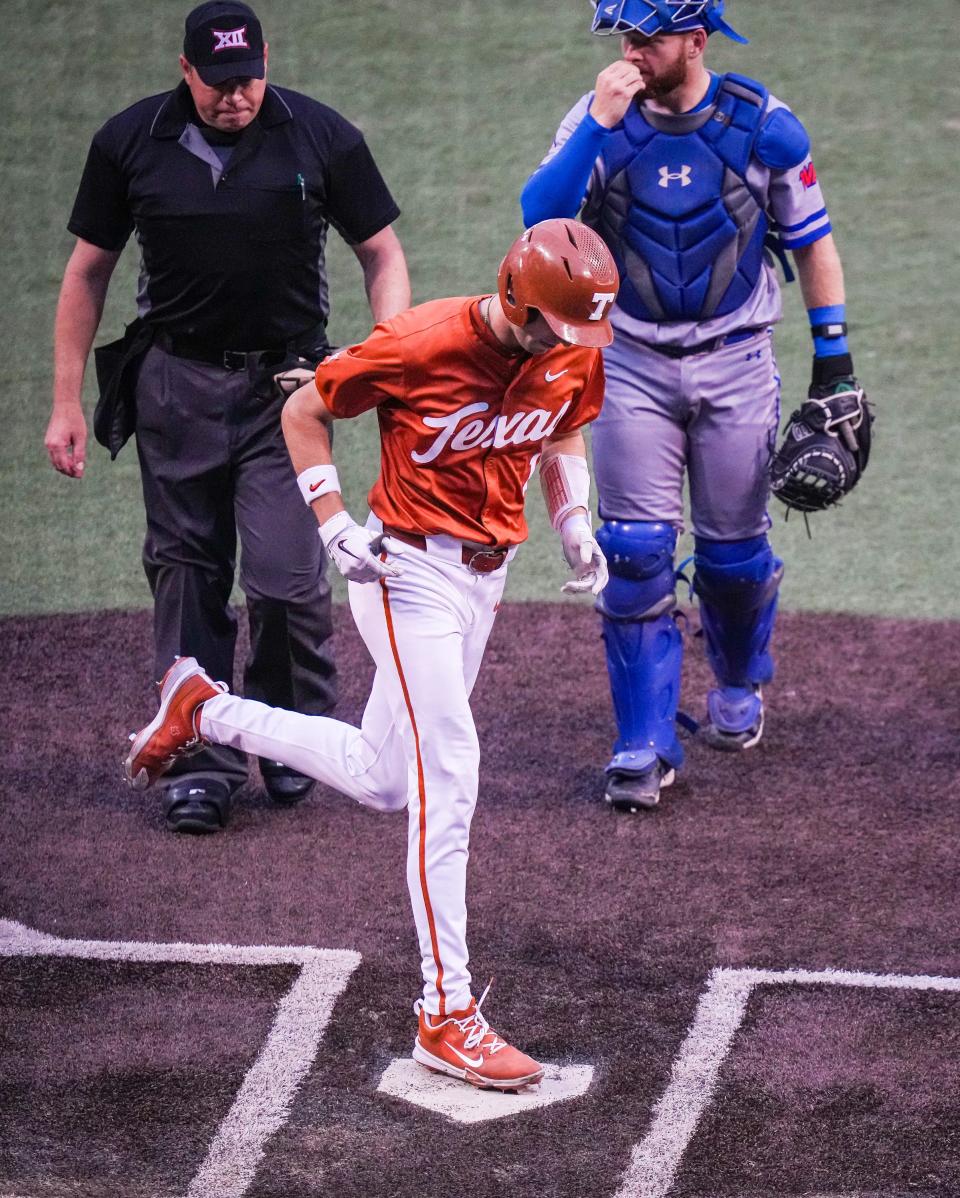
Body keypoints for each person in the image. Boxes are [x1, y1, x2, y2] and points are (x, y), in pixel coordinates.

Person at [122, 218, 617, 1089]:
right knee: (450, 773)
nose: (561, 345)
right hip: (404, 573)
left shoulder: (569, 348)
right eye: (553, 325)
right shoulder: (421, 343)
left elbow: (564, 422)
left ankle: (202, 706)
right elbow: (304, 407)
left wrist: (574, 515)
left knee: (388, 777)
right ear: (515, 297)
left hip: (483, 583)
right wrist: (333, 520)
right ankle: (446, 1014)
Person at [43, 1, 410, 833]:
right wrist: (67, 399)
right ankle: (201, 753)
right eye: (217, 84)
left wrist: (378, 355)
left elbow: (381, 251)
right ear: (186, 71)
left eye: (246, 80)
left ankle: (288, 733)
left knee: (287, 581)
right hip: (176, 387)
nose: (234, 98)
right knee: (187, 573)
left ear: (266, 62)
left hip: (289, 396)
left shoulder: (320, 136)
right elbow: (86, 273)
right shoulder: (129, 142)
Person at [520, 0, 868, 811]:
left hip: (737, 362)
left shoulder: (763, 127)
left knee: (734, 559)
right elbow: (540, 222)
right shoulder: (597, 119)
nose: (634, 52)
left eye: (651, 38)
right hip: (631, 363)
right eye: (627, 38)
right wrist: (597, 126)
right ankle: (643, 744)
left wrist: (835, 365)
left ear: (696, 41)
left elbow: (813, 242)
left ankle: (741, 675)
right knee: (635, 554)